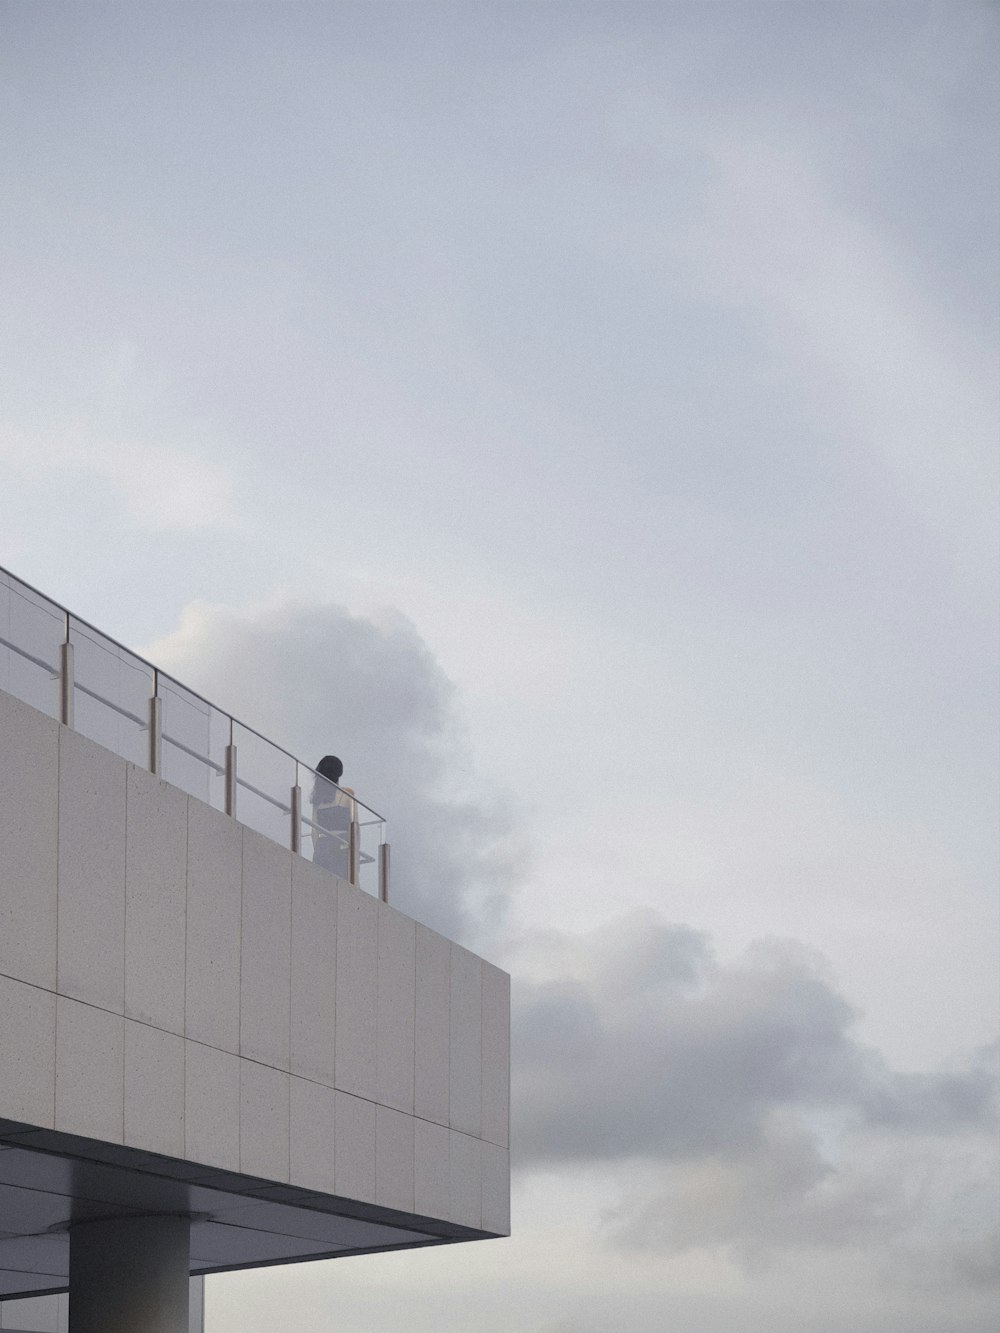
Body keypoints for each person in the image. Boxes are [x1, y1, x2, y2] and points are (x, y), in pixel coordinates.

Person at [311, 754, 355, 879]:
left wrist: (320, 849)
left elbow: (313, 831)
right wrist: (354, 853)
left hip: (321, 847)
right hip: (342, 846)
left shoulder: (318, 798)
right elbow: (354, 828)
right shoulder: (348, 793)